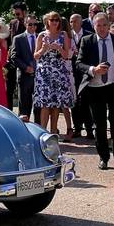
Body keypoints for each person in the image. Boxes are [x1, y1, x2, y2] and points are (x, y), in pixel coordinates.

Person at [77, 12, 114, 172]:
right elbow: (79, 63)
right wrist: (93, 69)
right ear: (93, 26)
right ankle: (103, 157)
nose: (102, 28)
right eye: (98, 25)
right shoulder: (87, 41)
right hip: (95, 88)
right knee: (100, 125)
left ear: (109, 26)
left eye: (104, 25)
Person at [34, 11, 75, 139]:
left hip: (58, 72)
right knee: (45, 104)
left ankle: (53, 133)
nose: (55, 22)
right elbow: (35, 56)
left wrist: (58, 48)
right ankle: (42, 132)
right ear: (47, 21)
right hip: (44, 72)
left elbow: (66, 56)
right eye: (52, 20)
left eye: (57, 20)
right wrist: (44, 49)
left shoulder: (63, 35)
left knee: (56, 104)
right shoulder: (41, 35)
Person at [69, 13, 94, 139]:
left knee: (86, 101)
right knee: (74, 101)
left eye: (74, 21)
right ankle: (77, 128)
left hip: (85, 72)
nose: (72, 24)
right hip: (72, 71)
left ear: (80, 22)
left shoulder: (89, 34)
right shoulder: (67, 35)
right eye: (71, 21)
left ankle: (89, 129)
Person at [11, 15, 38, 120]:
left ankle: (38, 128)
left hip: (39, 77)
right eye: (30, 24)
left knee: (38, 106)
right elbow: (14, 57)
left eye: (35, 24)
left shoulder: (41, 37)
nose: (33, 26)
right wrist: (25, 67)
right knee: (24, 107)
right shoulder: (18, 38)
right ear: (25, 24)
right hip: (24, 76)